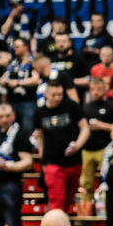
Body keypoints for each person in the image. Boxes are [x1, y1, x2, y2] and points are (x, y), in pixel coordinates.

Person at [33, 80, 89, 213]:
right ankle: (55, 225)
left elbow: (85, 128)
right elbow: (39, 136)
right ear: (46, 94)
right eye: (54, 95)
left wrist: (78, 145)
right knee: (56, 200)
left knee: (67, 201)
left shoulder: (71, 106)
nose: (57, 98)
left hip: (74, 161)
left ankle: (61, 223)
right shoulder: (40, 112)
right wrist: (43, 159)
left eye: (60, 94)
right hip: (52, 163)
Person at [80, 76, 113, 205]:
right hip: (87, 149)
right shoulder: (85, 107)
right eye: (93, 89)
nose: (96, 92)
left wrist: (102, 126)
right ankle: (85, 210)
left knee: (108, 181)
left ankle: (107, 208)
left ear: (105, 89)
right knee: (85, 183)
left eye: (99, 89)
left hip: (106, 149)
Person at [1, 37, 39, 130]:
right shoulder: (13, 62)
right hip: (12, 101)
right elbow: (1, 79)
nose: (15, 48)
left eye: (17, 46)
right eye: (14, 46)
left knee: (27, 129)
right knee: (13, 129)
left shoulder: (33, 61)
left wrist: (18, 83)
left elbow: (36, 79)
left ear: (26, 47)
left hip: (28, 102)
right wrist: (7, 82)